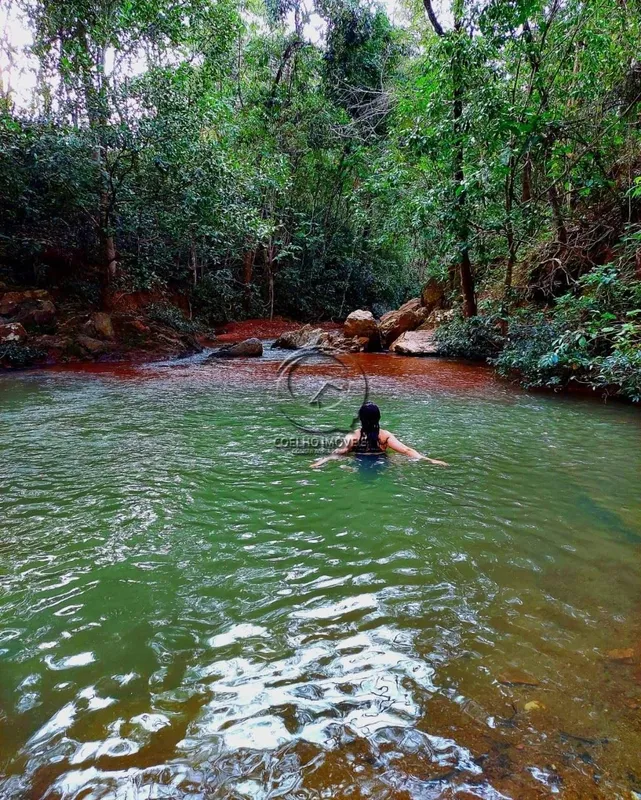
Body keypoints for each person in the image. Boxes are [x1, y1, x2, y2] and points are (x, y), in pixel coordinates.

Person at [311, 402, 449, 468]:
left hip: (358, 462)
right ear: (379, 418)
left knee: (345, 463)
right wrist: (429, 460)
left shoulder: (353, 436)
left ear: (360, 418)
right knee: (396, 459)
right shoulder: (385, 435)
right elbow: (406, 450)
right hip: (382, 462)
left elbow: (339, 452)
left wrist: (320, 462)